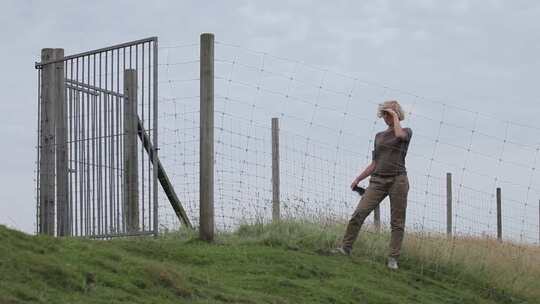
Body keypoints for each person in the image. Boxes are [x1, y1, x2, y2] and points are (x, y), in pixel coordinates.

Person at [334, 100, 412, 270]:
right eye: (384, 114)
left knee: (397, 222)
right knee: (359, 213)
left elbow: (399, 135)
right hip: (377, 181)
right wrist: (358, 179)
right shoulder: (379, 136)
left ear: (396, 114)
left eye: (388, 114)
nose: (385, 118)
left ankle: (393, 258)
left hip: (398, 180)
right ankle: (345, 248)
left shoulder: (406, 131)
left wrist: (395, 117)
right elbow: (375, 163)